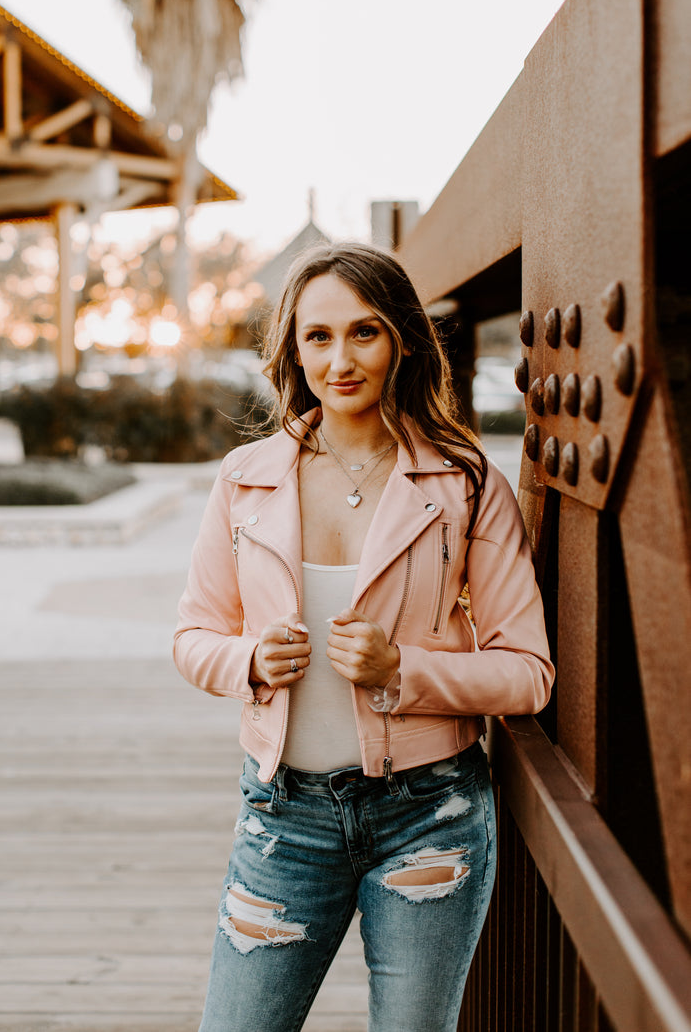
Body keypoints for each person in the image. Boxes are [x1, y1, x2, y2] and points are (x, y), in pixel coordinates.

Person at [173, 242, 553, 1032]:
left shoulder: (464, 482)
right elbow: (193, 635)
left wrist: (401, 669)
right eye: (318, 336)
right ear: (293, 349)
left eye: (365, 332)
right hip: (282, 818)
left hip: (430, 814)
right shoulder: (245, 479)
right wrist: (246, 659)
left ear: (403, 340)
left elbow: (528, 673)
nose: (340, 359)